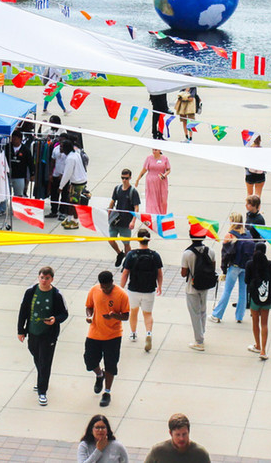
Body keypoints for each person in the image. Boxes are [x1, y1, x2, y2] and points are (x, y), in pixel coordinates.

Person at [17, 266, 69, 407]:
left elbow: (64, 313)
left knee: (45, 361)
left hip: (48, 335)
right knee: (36, 355)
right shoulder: (31, 292)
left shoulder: (56, 295)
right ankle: (42, 377)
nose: (44, 280)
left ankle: (42, 391)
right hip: (33, 331)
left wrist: (54, 320)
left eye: (47, 278)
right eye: (42, 277)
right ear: (38, 277)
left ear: (52, 279)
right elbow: (23, 311)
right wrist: (21, 330)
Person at [84, 271, 130, 408]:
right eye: (103, 287)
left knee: (111, 364)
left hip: (113, 335)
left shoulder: (121, 294)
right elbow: (89, 307)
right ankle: (99, 374)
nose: (105, 290)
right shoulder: (94, 290)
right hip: (95, 333)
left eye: (107, 287)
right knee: (89, 360)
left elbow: (126, 316)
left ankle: (107, 392)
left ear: (112, 282)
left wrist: (114, 316)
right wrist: (89, 316)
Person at [120, 228, 163, 352]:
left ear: (138, 239)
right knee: (147, 314)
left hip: (134, 289)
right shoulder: (155, 255)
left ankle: (133, 333)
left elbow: (125, 273)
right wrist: (159, 286)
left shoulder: (131, 255)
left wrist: (121, 288)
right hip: (149, 289)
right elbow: (159, 273)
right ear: (149, 239)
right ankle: (148, 333)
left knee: (133, 312)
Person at [210, 214, 254, 325]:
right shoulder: (248, 234)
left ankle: (217, 314)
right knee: (243, 292)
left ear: (233, 222)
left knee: (227, 291)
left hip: (234, 267)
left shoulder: (229, 235)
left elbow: (225, 255)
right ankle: (239, 316)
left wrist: (224, 271)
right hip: (246, 266)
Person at [180, 226, 216, 352]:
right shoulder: (210, 251)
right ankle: (202, 332)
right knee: (203, 310)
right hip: (205, 285)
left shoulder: (187, 253)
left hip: (192, 286)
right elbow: (213, 267)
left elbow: (184, 273)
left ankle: (199, 341)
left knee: (194, 313)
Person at [246, 242, 271, 360]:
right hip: (267, 297)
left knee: (255, 321)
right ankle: (263, 350)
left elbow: (246, 280)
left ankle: (257, 345)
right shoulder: (270, 264)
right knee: (264, 323)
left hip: (254, 297)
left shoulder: (250, 264)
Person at [143, 414, 211, 463]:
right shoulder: (157, 452)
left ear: (189, 432)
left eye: (184, 434)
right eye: (177, 435)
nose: (181, 438)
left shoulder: (200, 454)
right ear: (170, 433)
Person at [107, 168, 141, 265]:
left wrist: (133, 221)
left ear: (130, 178)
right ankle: (119, 253)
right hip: (115, 220)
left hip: (126, 222)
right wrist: (109, 213)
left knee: (126, 243)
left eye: (126, 178)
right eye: (122, 178)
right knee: (111, 240)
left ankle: (127, 262)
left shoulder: (133, 192)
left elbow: (136, 208)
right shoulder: (117, 189)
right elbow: (113, 201)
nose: (124, 180)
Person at [60, 140, 88, 230]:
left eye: (61, 147)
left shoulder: (70, 159)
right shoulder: (75, 154)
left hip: (77, 183)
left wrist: (61, 186)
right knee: (71, 202)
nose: (60, 148)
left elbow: (67, 174)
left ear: (65, 149)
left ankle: (75, 222)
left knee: (74, 203)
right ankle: (69, 219)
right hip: (79, 181)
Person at [136, 148, 170, 215]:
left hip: (161, 181)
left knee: (163, 199)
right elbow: (144, 170)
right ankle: (153, 214)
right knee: (152, 199)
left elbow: (168, 169)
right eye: (153, 150)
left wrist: (164, 175)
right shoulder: (149, 158)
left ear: (160, 150)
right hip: (151, 181)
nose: (154, 151)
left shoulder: (165, 158)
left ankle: (162, 214)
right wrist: (138, 179)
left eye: (156, 150)